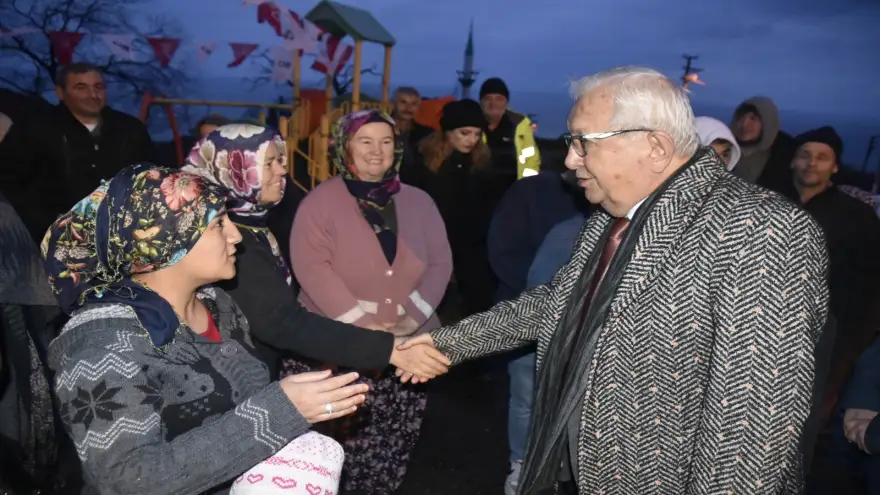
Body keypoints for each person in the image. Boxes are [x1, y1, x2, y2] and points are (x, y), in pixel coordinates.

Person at [400, 66, 829, 493]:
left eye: (583, 143)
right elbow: (557, 303)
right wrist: (445, 343)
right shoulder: (612, 214)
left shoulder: (763, 229)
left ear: (655, 147)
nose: (570, 160)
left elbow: (751, 431)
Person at [43, 164, 369, 494]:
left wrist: (296, 409)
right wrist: (281, 410)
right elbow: (128, 480)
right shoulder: (102, 344)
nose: (236, 236)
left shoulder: (217, 304)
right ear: (167, 239)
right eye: (218, 224)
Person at [181, 123, 449, 381]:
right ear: (237, 169)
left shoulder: (255, 224)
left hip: (256, 370)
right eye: (269, 163)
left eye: (280, 160)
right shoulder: (226, 237)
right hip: (230, 378)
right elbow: (281, 321)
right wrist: (384, 347)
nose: (282, 170)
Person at [289, 109, 453, 494]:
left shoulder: (420, 202)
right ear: (346, 147)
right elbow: (313, 269)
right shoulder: (319, 204)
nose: (377, 151)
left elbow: (440, 263)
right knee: (331, 454)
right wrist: (366, 329)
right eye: (365, 141)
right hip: (336, 350)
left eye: (386, 141)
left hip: (408, 346)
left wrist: (409, 319)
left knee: (392, 446)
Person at [1, 63, 158, 243]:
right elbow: (11, 184)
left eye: (98, 87)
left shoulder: (130, 129)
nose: (93, 95)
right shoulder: (35, 129)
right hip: (54, 238)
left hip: (122, 236)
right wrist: (46, 222)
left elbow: (152, 177)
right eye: (81, 88)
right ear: (60, 92)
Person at [408, 99, 497, 315]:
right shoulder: (423, 161)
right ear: (448, 132)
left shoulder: (482, 163)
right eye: (465, 133)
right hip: (430, 246)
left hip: (469, 248)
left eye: (477, 134)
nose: (472, 140)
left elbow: (488, 206)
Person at [729, 96, 796, 196]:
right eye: (741, 117)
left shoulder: (785, 157)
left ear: (767, 123)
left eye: (753, 118)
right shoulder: (723, 150)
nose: (745, 123)